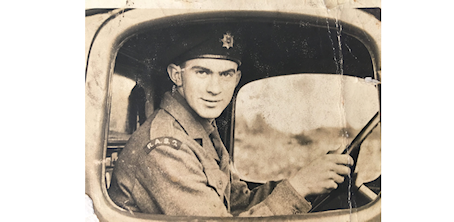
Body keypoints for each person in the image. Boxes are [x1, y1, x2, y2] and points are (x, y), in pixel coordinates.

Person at [108, 27, 353, 216]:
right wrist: (299, 187)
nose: (215, 88)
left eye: (225, 74)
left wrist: (304, 181)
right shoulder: (165, 148)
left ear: (236, 79)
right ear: (176, 75)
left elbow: (236, 204)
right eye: (202, 72)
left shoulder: (201, 131)